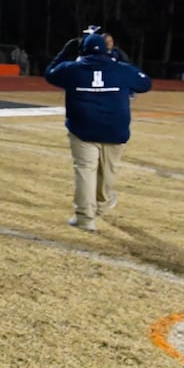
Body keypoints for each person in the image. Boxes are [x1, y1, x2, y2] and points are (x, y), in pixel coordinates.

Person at [44, 32, 152, 232]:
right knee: (108, 171)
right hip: (114, 128)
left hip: (82, 127)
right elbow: (145, 83)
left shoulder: (72, 69)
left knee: (85, 170)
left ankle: (86, 218)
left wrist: (65, 52)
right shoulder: (120, 69)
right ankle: (101, 205)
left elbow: (50, 73)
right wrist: (118, 56)